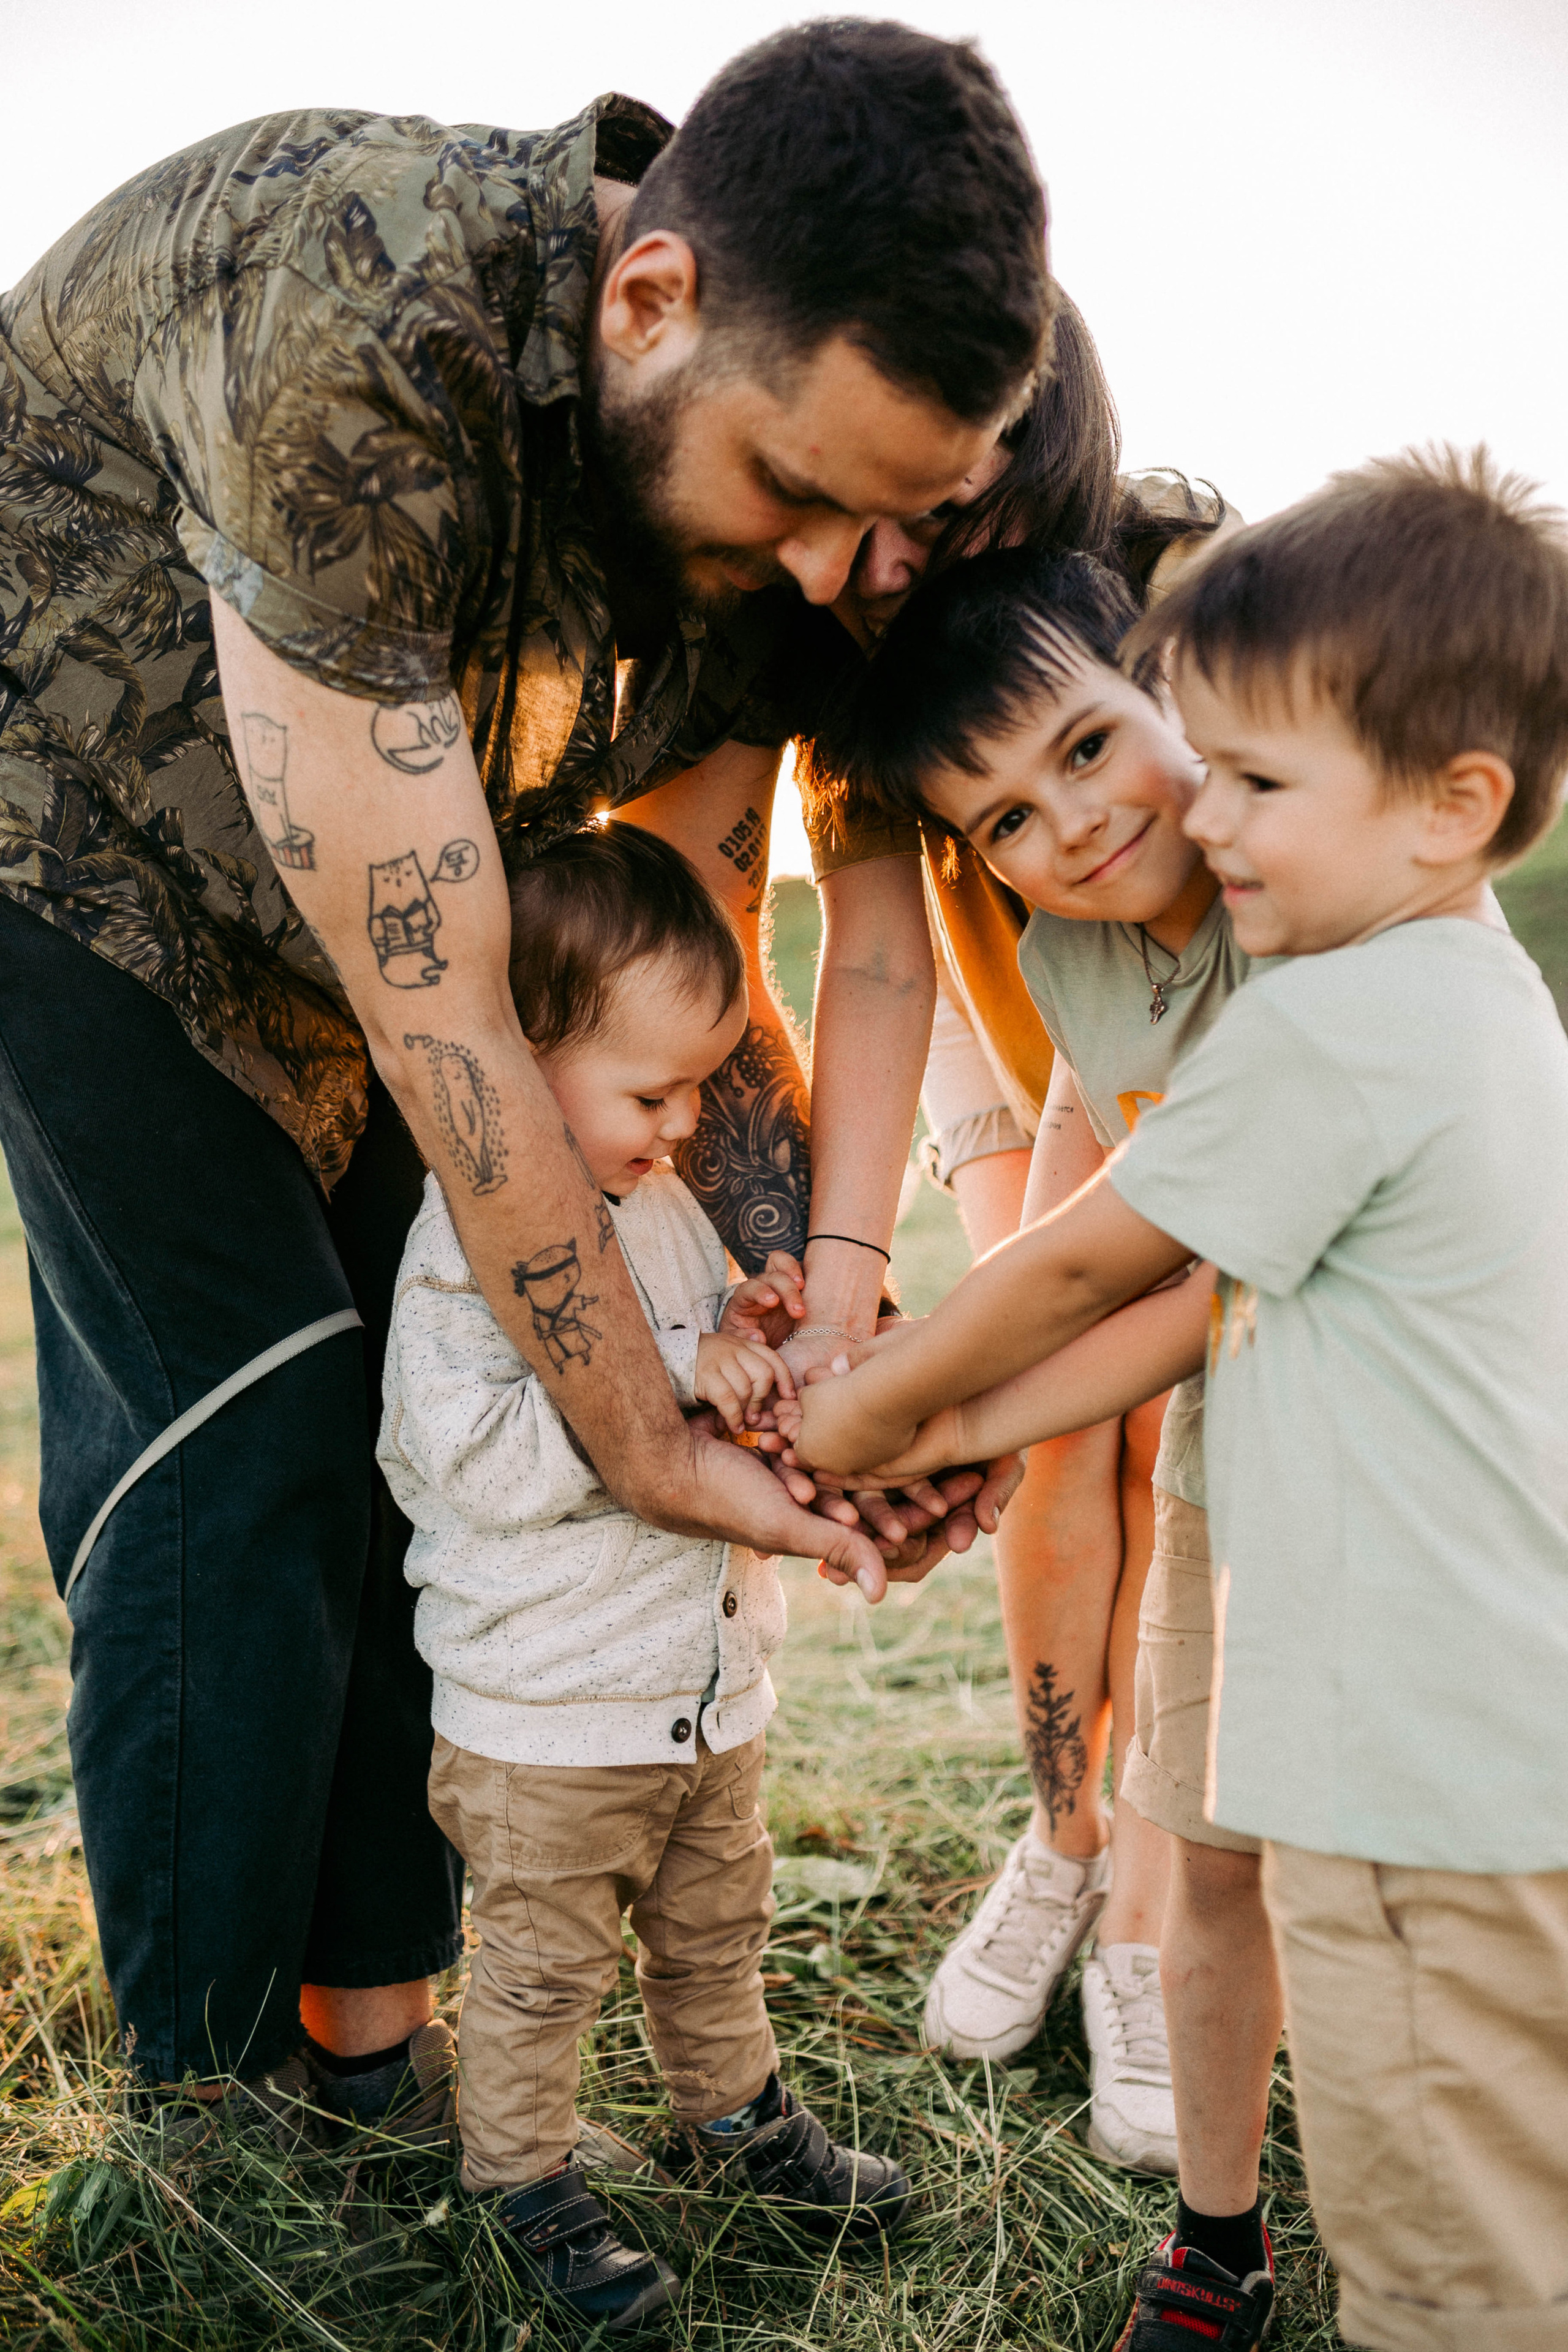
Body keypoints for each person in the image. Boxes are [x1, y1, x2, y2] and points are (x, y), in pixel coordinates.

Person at [0, 22, 1047, 2115]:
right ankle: (200, 2120)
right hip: (71, 848)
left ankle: (364, 2034)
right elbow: (449, 1017)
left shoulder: (760, 505)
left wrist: (813, 1343)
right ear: (649, 299)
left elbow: (674, 965)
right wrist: (658, 1452)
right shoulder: (348, 305)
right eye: (811, 503)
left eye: (899, 529)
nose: (847, 578)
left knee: (429, 1413)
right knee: (260, 1418)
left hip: (409, 916)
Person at [788, 447, 1568, 2352]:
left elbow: (1099, 1265)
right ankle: (1220, 2238)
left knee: (1416, 2085)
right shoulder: (1285, 962)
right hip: (1277, 1481)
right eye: (1001, 822)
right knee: (1218, 1854)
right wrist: (961, 1427)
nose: (1124, 824)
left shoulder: (1332, 974)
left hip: (1392, 1600)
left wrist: (868, 1419)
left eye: (1103, 752)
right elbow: (1171, 1273)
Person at [379, 823, 911, 2331]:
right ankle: (517, 2183)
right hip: (549, 1712)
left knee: (713, 1926)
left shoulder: (656, 1201)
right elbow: (470, 1457)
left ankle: (735, 2118)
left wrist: (737, 1312)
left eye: (695, 1088)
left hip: (696, 1694)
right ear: (528, 1052)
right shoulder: (460, 1247)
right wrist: (674, 1375)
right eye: (651, 1090)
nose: (684, 1124)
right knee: (544, 1968)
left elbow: (689, 1346)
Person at [809, 546, 1283, 2222]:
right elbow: (1079, 1176)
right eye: (1006, 817)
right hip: (1257, 1353)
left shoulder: (1284, 917)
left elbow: (1175, 1291)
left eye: (1086, 751)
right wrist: (954, 1392)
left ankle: (1170, 1925)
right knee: (1105, 1480)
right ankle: (1072, 1846)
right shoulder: (1076, 941)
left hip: (1361, 1402)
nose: (1066, 826)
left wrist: (935, 1419)